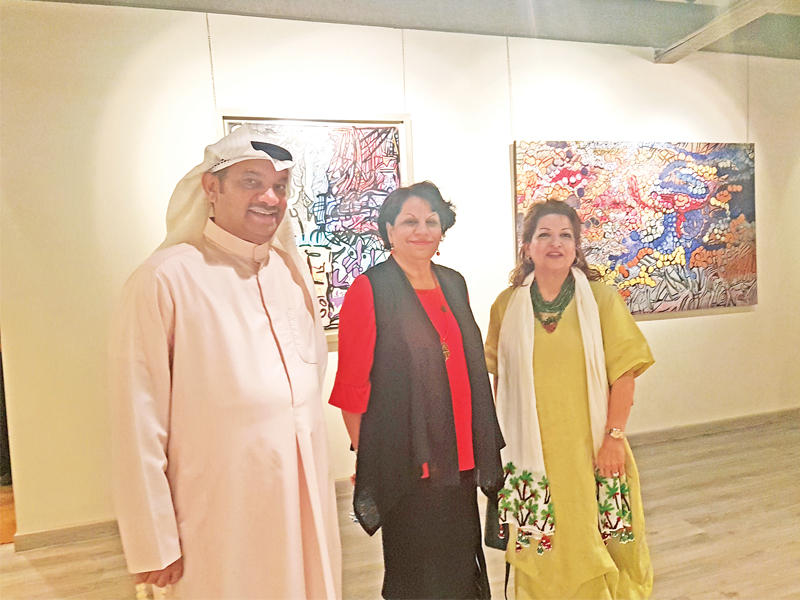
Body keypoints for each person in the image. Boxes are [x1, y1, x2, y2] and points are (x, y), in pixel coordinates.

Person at [109, 126, 341, 599]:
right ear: (211, 188)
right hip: (219, 515)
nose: (270, 198)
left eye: (279, 186)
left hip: (304, 499)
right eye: (251, 182)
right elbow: (136, 420)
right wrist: (154, 541)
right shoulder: (164, 279)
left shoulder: (289, 273)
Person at [329, 181, 505, 599]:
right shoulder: (370, 289)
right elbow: (352, 388)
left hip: (462, 455)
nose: (422, 230)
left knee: (460, 564)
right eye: (410, 221)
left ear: (443, 229)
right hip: (408, 462)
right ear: (389, 230)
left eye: (431, 221)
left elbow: (467, 363)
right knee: (417, 572)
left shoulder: (454, 282)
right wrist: (371, 456)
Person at [484, 199, 655, 599]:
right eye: (544, 235)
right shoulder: (506, 305)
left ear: (577, 246)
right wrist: (500, 445)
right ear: (527, 246)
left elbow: (624, 375)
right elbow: (501, 380)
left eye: (565, 235)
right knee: (540, 549)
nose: (555, 243)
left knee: (595, 541)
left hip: (590, 448)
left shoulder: (601, 300)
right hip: (531, 453)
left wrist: (614, 438)